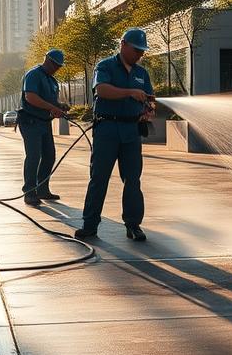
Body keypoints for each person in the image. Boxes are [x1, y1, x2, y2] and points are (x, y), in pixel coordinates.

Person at [75, 27, 155, 242]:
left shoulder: (142, 73)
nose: (139, 54)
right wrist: (130, 92)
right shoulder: (105, 66)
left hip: (131, 132)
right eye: (136, 49)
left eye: (142, 51)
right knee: (99, 179)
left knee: (133, 180)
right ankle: (90, 225)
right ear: (123, 44)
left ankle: (133, 225)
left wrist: (148, 109)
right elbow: (101, 90)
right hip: (107, 130)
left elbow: (149, 98)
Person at [18, 49, 67, 206]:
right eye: (54, 64)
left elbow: (50, 100)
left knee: (49, 155)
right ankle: (30, 192)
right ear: (47, 59)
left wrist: (59, 106)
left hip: (44, 122)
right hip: (31, 122)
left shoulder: (52, 81)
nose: (56, 68)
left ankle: (43, 189)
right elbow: (30, 97)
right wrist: (52, 108)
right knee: (34, 156)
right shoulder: (33, 75)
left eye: (59, 66)